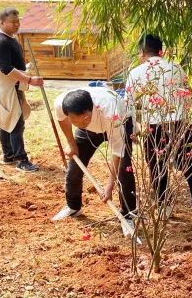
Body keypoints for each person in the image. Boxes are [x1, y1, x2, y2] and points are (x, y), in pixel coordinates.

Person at [125, 34, 192, 226]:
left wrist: (133, 128)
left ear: (142, 52)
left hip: (154, 128)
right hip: (181, 124)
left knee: (157, 169)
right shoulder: (177, 68)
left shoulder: (136, 73)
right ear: (161, 51)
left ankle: (163, 207)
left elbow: (128, 105)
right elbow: (187, 98)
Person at [51, 87, 137, 233]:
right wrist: (71, 143)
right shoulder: (61, 103)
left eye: (85, 119)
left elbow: (117, 151)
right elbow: (61, 119)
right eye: (75, 122)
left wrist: (109, 186)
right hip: (90, 131)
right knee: (75, 166)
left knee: (124, 168)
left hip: (119, 123)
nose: (82, 123)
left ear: (91, 110)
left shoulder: (111, 111)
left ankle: (128, 215)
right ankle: (73, 206)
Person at [0, 7, 41, 173]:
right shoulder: (0, 41)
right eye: (13, 22)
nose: (17, 25)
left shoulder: (8, 37)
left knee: (6, 118)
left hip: (12, 85)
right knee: (15, 121)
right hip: (6, 86)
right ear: (1, 22)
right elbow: (6, 69)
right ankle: (20, 160)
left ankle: (8, 155)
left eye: (18, 21)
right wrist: (30, 79)